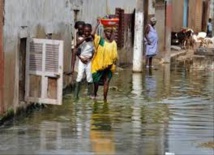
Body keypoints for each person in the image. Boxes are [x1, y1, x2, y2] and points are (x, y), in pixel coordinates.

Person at [91, 19, 118, 102]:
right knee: (96, 82)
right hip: (98, 65)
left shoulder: (113, 43)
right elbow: (92, 35)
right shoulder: (100, 40)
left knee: (106, 82)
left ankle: (105, 100)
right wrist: (97, 24)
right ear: (104, 32)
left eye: (111, 32)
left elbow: (115, 57)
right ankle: (95, 94)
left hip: (109, 66)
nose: (109, 34)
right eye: (107, 32)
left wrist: (113, 64)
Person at [74, 23, 94, 100]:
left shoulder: (92, 39)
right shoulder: (80, 39)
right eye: (85, 31)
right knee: (79, 76)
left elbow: (93, 51)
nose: (87, 33)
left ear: (90, 31)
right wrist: (81, 59)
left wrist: (89, 58)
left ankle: (90, 95)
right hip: (82, 61)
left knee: (89, 77)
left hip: (88, 61)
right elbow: (76, 46)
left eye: (88, 32)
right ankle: (76, 96)